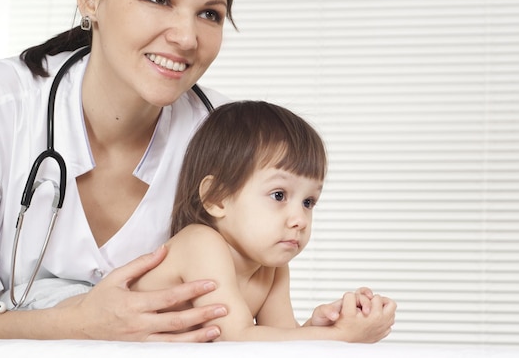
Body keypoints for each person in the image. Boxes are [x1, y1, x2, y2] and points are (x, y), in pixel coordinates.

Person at [0, 0, 348, 341]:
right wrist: (76, 325)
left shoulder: (233, 142)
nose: (186, 37)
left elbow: (247, 317)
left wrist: (315, 333)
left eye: (209, 14)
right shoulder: (5, 107)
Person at [129, 100, 397, 342]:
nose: (300, 219)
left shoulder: (272, 267)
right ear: (217, 198)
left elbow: (278, 341)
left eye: (308, 202)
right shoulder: (201, 244)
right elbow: (235, 338)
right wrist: (340, 337)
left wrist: (325, 326)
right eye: (279, 195)